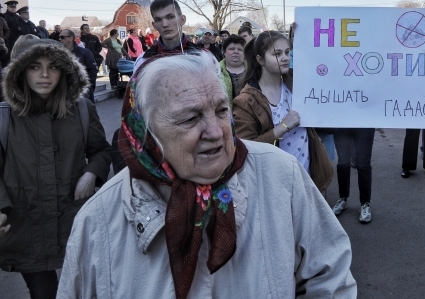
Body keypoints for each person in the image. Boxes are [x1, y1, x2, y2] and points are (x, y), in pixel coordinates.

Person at [57, 52, 356, 298]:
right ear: (145, 132)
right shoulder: (98, 221)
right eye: (190, 118)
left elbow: (330, 277)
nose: (215, 132)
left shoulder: (281, 174)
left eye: (222, 111)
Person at [0, 39, 111, 299]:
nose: (44, 75)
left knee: (84, 288)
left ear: (64, 71)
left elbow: (101, 150)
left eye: (53, 67)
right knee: (44, 292)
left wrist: (91, 173)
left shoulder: (82, 109)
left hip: (72, 218)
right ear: (21, 71)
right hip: (26, 224)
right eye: (35, 67)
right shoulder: (4, 117)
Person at [233, 31, 333, 192]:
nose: (285, 57)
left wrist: (305, 32)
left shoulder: (295, 82)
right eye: (277, 54)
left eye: (287, 52)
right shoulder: (246, 101)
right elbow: (245, 148)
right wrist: (284, 126)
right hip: (274, 184)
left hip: (309, 176)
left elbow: (320, 62)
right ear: (260, 59)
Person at [133, 0, 197, 72]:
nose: (165, 24)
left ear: (182, 20)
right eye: (158, 20)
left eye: (170, 17)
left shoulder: (202, 57)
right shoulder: (143, 61)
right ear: (154, 25)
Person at [59, 29, 98, 103]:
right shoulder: (58, 54)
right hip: (64, 90)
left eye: (62, 37)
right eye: (59, 37)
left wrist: (87, 86)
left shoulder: (85, 52)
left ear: (70, 38)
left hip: (82, 89)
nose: (59, 39)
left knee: (86, 111)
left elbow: (93, 70)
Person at [218, 34, 246, 106]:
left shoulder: (253, 71)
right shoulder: (216, 71)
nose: (236, 52)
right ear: (224, 52)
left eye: (240, 49)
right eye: (231, 49)